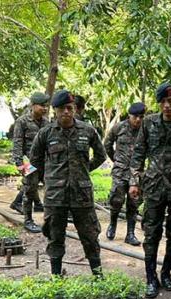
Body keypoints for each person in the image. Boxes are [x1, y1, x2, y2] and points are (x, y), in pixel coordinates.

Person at [29, 90, 107, 276]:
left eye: (69, 108)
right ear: (55, 111)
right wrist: (46, 178)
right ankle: (56, 277)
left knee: (90, 236)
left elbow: (101, 155)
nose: (66, 112)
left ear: (75, 110)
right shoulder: (46, 133)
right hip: (55, 196)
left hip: (82, 195)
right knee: (55, 237)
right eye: (62, 108)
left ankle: (98, 276)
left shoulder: (87, 130)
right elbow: (35, 160)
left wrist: (84, 169)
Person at [130, 82, 171, 298]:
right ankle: (151, 277)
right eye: (162, 102)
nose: (167, 106)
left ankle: (166, 272)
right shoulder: (149, 123)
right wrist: (134, 181)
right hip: (154, 186)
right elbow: (138, 153)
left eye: (170, 101)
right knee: (151, 232)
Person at [103, 102, 145, 246]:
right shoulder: (119, 127)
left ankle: (130, 233)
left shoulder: (145, 130)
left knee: (133, 203)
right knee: (116, 200)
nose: (138, 120)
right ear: (129, 116)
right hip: (120, 170)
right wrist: (116, 158)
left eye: (141, 117)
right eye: (135, 116)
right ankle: (112, 224)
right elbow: (107, 144)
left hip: (137, 172)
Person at [11, 92, 50, 232]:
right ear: (33, 106)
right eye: (41, 106)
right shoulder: (22, 121)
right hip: (29, 162)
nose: (44, 109)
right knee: (29, 190)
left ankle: (49, 220)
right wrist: (19, 163)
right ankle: (28, 220)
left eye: (46, 106)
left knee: (50, 191)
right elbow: (17, 143)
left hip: (46, 163)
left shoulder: (47, 123)